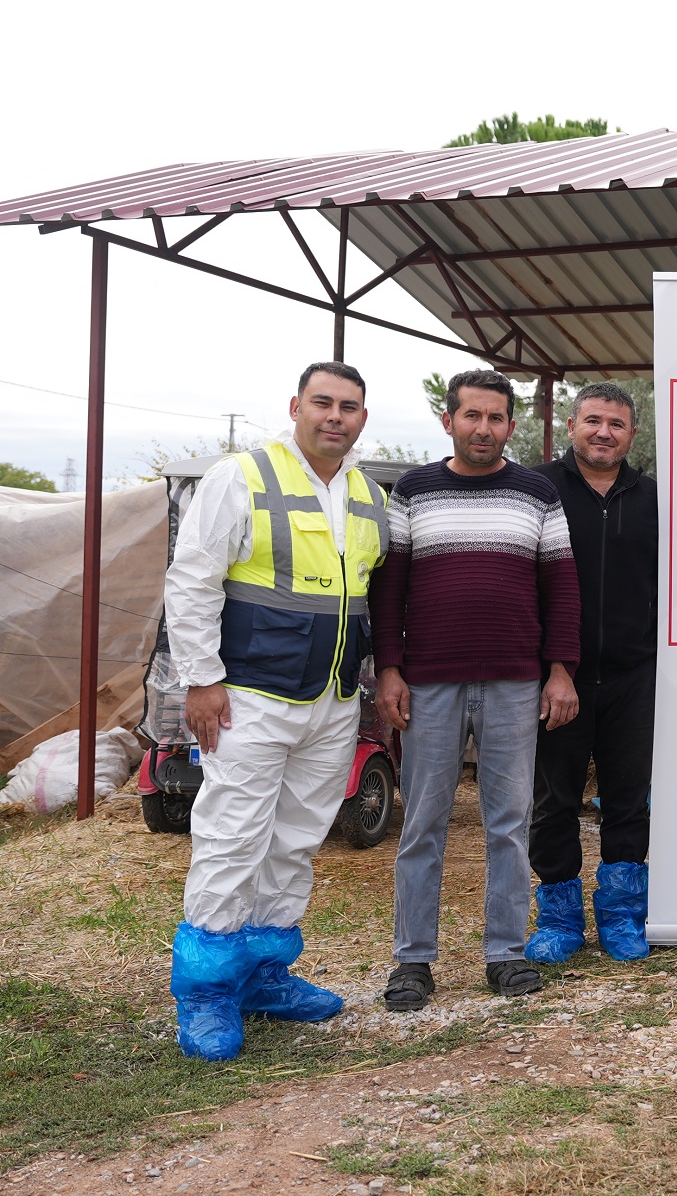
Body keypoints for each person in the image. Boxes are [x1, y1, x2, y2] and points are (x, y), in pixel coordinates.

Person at [163, 361, 388, 1061]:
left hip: (333, 700)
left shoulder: (368, 494)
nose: (335, 416)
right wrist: (200, 681)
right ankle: (204, 996)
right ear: (295, 406)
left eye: (349, 406)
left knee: (294, 842)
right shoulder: (245, 475)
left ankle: (264, 977)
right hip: (251, 697)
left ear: (362, 418)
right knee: (233, 840)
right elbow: (194, 575)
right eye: (322, 402)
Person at [371, 369, 581, 1010]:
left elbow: (561, 588)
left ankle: (506, 953)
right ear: (449, 421)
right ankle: (412, 962)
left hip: (516, 681)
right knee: (423, 823)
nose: (483, 429)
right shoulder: (412, 491)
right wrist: (388, 669)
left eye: (495, 418)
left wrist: (561, 670)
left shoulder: (537, 494)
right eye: (472, 416)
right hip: (429, 681)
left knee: (510, 824)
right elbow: (389, 588)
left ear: (509, 427)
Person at [524, 383, 658, 964]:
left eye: (618, 424)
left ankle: (623, 917)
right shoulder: (536, 489)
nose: (604, 432)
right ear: (572, 426)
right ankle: (558, 918)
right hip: (558, 674)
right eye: (593, 421)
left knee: (628, 798)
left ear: (632, 435)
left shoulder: (654, 497)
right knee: (554, 799)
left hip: (635, 673)